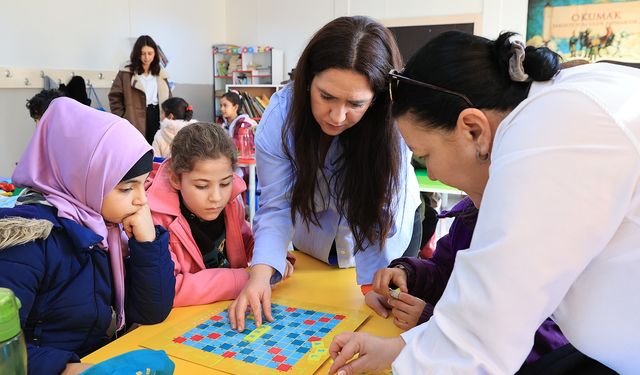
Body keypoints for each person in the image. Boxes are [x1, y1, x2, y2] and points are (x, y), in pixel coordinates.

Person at [329, 30, 640, 374]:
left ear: (473, 130)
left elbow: (480, 339)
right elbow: (480, 317)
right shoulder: (561, 106)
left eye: (424, 154)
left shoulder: (554, 132)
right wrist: (400, 350)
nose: (429, 170)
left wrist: (413, 355)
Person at [229, 16, 422, 332]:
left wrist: (372, 283)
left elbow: (377, 212)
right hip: (315, 236)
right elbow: (277, 206)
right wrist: (260, 275)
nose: (337, 116)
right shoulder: (280, 118)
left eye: (355, 103)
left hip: (386, 227)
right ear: (308, 81)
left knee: (380, 320)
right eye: (326, 96)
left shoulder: (393, 127)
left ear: (376, 99)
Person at [0, 98, 175, 375]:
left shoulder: (110, 229)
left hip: (101, 357)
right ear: (85, 178)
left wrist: (148, 242)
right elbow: (4, 350)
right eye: (127, 189)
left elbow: (153, 311)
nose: (143, 201)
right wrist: (70, 369)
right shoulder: (28, 240)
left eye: (145, 185)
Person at [367, 197, 568, 370]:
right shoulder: (468, 214)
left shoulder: (534, 232)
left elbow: (543, 337)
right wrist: (406, 275)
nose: (430, 173)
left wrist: (433, 320)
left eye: (429, 154)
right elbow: (444, 270)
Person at [147, 123, 292, 307]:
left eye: (225, 183)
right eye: (201, 186)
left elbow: (246, 241)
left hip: (228, 308)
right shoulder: (157, 220)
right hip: (185, 322)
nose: (216, 197)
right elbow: (169, 288)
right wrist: (243, 279)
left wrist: (270, 260)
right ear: (176, 179)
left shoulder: (232, 202)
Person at [109, 35, 171, 144]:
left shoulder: (161, 73)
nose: (146, 57)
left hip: (157, 115)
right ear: (137, 54)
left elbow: (169, 98)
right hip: (134, 117)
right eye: (143, 53)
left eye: (150, 53)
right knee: (137, 147)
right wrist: (123, 117)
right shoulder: (126, 72)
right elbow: (114, 96)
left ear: (155, 54)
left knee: (156, 147)